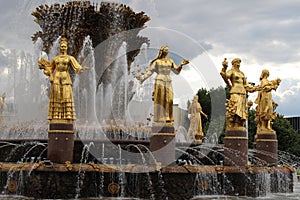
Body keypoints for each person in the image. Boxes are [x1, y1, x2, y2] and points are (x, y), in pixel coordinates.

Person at [137, 45, 189, 125]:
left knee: (170, 99)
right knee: (161, 99)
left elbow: (176, 72)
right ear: (162, 51)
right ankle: (160, 118)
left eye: (167, 49)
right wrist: (142, 78)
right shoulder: (157, 62)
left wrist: (181, 64)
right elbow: (150, 72)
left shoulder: (170, 61)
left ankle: (168, 116)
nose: (167, 50)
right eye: (165, 49)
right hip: (159, 80)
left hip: (168, 80)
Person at [38, 37, 88, 121]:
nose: (63, 48)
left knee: (66, 95)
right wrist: (46, 69)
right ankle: (56, 115)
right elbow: (50, 68)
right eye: (62, 46)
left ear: (67, 47)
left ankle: (67, 114)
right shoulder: (56, 58)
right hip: (57, 78)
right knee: (57, 95)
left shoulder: (70, 58)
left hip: (66, 77)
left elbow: (76, 67)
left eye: (64, 46)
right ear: (60, 47)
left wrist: (81, 69)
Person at [220, 58, 258, 128]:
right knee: (234, 108)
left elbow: (246, 85)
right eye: (237, 62)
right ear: (233, 63)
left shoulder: (242, 73)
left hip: (243, 93)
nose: (238, 64)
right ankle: (233, 126)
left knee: (241, 111)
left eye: (239, 63)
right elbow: (225, 76)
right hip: (235, 91)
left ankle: (238, 125)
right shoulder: (231, 71)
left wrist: (256, 88)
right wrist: (224, 68)